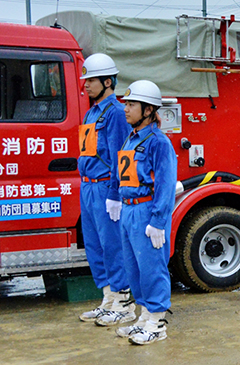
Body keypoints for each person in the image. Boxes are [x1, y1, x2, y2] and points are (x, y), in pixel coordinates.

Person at [115, 80, 177, 345]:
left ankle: (157, 322)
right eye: (126, 104)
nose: (126, 109)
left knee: (152, 267)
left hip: (146, 211)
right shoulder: (131, 138)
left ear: (149, 109)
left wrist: (158, 221)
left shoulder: (159, 143)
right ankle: (144, 316)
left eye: (131, 104)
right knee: (134, 268)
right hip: (128, 212)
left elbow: (165, 184)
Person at [77, 53, 133, 326]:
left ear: (108, 81)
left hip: (104, 189)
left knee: (112, 246)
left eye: (91, 80)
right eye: (85, 80)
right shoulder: (91, 112)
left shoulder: (116, 114)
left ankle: (124, 303)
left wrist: (114, 194)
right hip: (87, 188)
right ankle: (108, 298)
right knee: (95, 246)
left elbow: (119, 157)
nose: (85, 84)